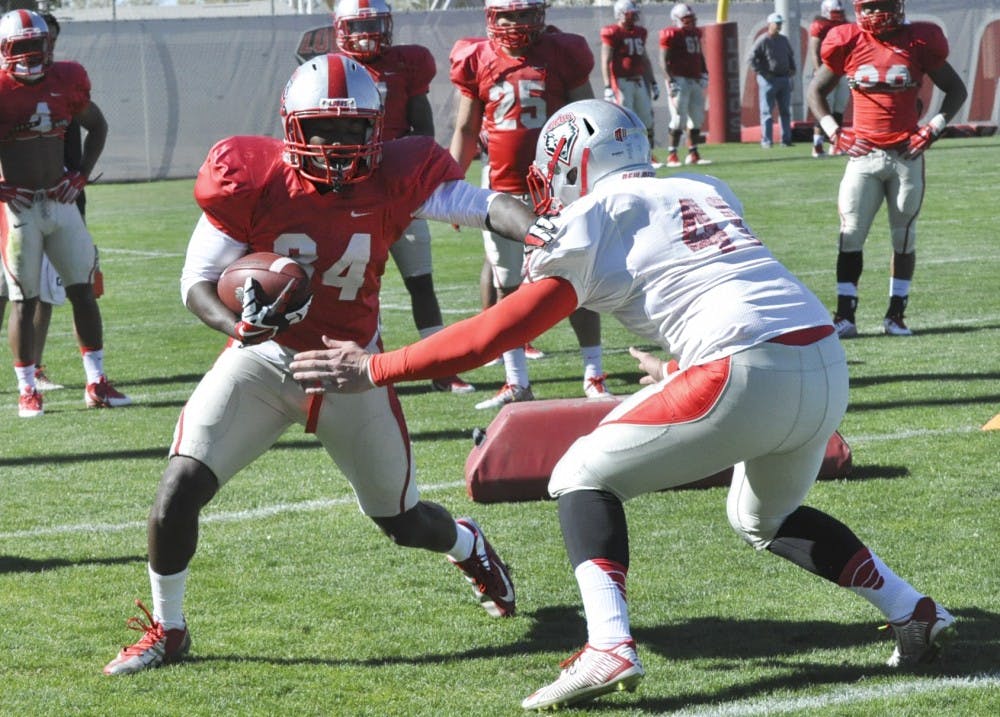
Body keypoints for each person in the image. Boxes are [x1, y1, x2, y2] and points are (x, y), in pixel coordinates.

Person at [290, 99, 957, 711]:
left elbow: (498, 331)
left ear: (575, 159)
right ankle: (910, 606)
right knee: (763, 515)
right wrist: (680, 362)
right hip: (819, 359)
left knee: (579, 474)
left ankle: (608, 643)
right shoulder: (700, 185)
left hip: (744, 362)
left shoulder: (592, 215)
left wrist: (377, 366)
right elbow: (714, 279)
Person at [102, 53, 533, 676]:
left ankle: (469, 546)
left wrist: (542, 229)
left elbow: (484, 204)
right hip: (263, 358)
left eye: (351, 128)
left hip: (349, 368)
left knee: (403, 521)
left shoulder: (397, 174)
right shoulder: (252, 177)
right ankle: (168, 630)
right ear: (291, 127)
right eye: (322, 129)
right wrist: (240, 325)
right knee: (176, 492)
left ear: (375, 130)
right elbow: (196, 283)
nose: (336, 144)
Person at [449, 0, 611, 409]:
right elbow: (466, 128)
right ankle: (516, 381)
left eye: (523, 14)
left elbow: (589, 119)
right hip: (501, 190)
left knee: (576, 279)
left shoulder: (561, 52)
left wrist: (596, 179)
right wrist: (451, 185)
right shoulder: (477, 57)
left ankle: (593, 373)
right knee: (509, 287)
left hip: (557, 186)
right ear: (491, 17)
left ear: (539, 15)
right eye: (506, 15)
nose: (514, 23)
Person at [319, 0, 474, 395]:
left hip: (398, 190)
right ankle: (360, 368)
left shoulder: (406, 64)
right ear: (339, 29)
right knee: (355, 289)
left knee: (420, 281)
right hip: (350, 195)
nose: (366, 33)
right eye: (357, 26)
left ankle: (442, 367)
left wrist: (401, 173)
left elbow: (422, 133)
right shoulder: (329, 72)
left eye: (373, 24)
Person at [807, 0, 967, 337]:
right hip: (863, 155)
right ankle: (846, 315)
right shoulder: (848, 40)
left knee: (903, 237)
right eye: (872, 6)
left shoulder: (919, 41)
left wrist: (932, 129)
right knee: (850, 233)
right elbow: (815, 91)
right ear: (858, 9)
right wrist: (836, 133)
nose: (879, 13)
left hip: (905, 155)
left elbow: (956, 90)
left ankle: (896, 314)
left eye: (885, 4)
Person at [0, 9, 130, 417]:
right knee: (24, 298)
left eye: (36, 45)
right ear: (5, 50)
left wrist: (79, 176)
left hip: (60, 201)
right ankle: (27, 388)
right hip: (19, 208)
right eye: (21, 47)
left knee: (83, 291)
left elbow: (98, 125)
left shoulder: (67, 78)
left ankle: (96, 381)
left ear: (49, 45)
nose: (30, 55)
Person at [600, 1, 659, 160]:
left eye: (634, 14)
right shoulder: (613, 32)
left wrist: (653, 82)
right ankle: (626, 157)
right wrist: (607, 86)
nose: (634, 17)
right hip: (621, 82)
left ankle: (649, 155)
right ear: (620, 14)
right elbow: (606, 60)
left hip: (638, 81)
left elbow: (645, 60)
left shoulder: (639, 32)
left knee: (647, 120)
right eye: (630, 14)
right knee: (624, 122)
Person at [658, 2, 711, 168]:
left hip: (694, 78)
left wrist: (704, 72)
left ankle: (693, 153)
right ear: (677, 19)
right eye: (686, 19)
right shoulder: (670, 34)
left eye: (691, 18)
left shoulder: (696, 33)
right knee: (678, 118)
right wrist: (669, 80)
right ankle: (672, 155)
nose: (690, 22)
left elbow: (699, 54)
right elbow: (663, 60)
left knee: (696, 119)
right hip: (678, 79)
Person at [807, 1, 850, 158]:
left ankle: (835, 145)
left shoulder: (845, 25)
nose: (838, 15)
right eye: (834, 12)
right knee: (824, 108)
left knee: (839, 108)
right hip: (827, 70)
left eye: (839, 11)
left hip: (844, 71)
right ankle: (817, 145)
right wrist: (819, 72)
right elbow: (814, 50)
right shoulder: (819, 25)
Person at [749, 12, 796, 148]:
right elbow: (751, 58)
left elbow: (789, 55)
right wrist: (762, 72)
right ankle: (766, 140)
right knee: (766, 112)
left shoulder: (783, 40)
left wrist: (792, 68)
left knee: (785, 111)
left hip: (783, 78)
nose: (779, 26)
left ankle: (786, 140)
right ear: (770, 24)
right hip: (768, 80)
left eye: (780, 23)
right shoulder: (763, 40)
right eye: (777, 23)